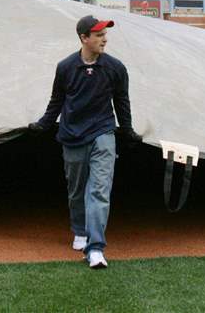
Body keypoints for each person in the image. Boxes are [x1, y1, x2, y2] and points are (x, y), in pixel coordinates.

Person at [29, 14, 143, 269]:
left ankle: (95, 249)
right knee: (77, 191)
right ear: (84, 38)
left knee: (99, 190)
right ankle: (80, 230)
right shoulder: (66, 67)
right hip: (72, 135)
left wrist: (127, 130)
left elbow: (122, 103)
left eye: (105, 34)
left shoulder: (116, 68)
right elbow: (56, 101)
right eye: (99, 35)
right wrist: (43, 124)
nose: (104, 39)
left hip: (103, 133)